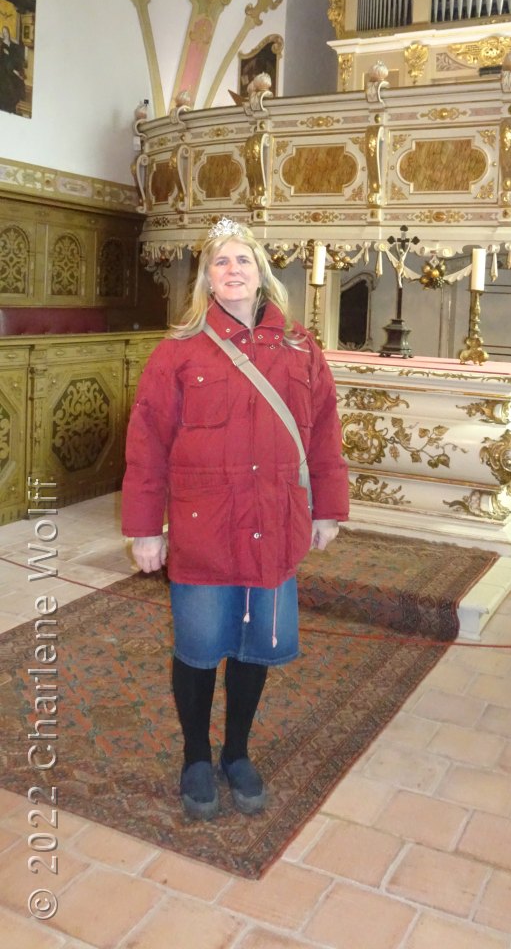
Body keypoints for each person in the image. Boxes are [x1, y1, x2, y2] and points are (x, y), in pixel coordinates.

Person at [121, 217, 349, 820]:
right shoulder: (178, 352)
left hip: (275, 522)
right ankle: (197, 754)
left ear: (261, 272)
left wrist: (328, 507)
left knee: (253, 647)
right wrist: (145, 528)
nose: (233, 270)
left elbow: (324, 433)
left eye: (242, 260)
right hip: (204, 526)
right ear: (207, 280)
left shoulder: (300, 348)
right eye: (220, 262)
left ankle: (237, 752)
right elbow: (147, 442)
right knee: (199, 646)